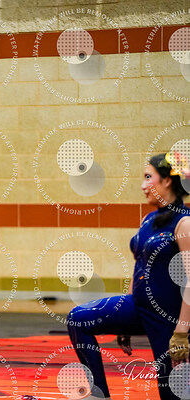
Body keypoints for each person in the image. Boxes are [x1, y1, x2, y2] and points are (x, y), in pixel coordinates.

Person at [67, 153, 190, 400]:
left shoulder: (183, 223)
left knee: (172, 395)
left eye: (148, 177)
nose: (143, 186)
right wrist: (126, 310)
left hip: (168, 320)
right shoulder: (148, 219)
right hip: (138, 307)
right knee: (78, 320)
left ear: (167, 181)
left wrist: (182, 330)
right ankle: (99, 395)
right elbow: (140, 264)